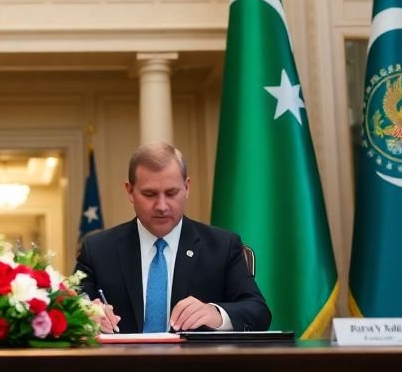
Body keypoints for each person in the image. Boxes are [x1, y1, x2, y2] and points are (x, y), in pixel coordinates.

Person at [75, 141, 271, 333]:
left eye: (171, 193)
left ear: (186, 188)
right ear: (130, 191)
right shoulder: (98, 250)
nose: (161, 206)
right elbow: (70, 306)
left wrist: (216, 314)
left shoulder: (222, 246)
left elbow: (258, 312)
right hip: (122, 364)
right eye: (150, 194)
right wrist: (87, 314)